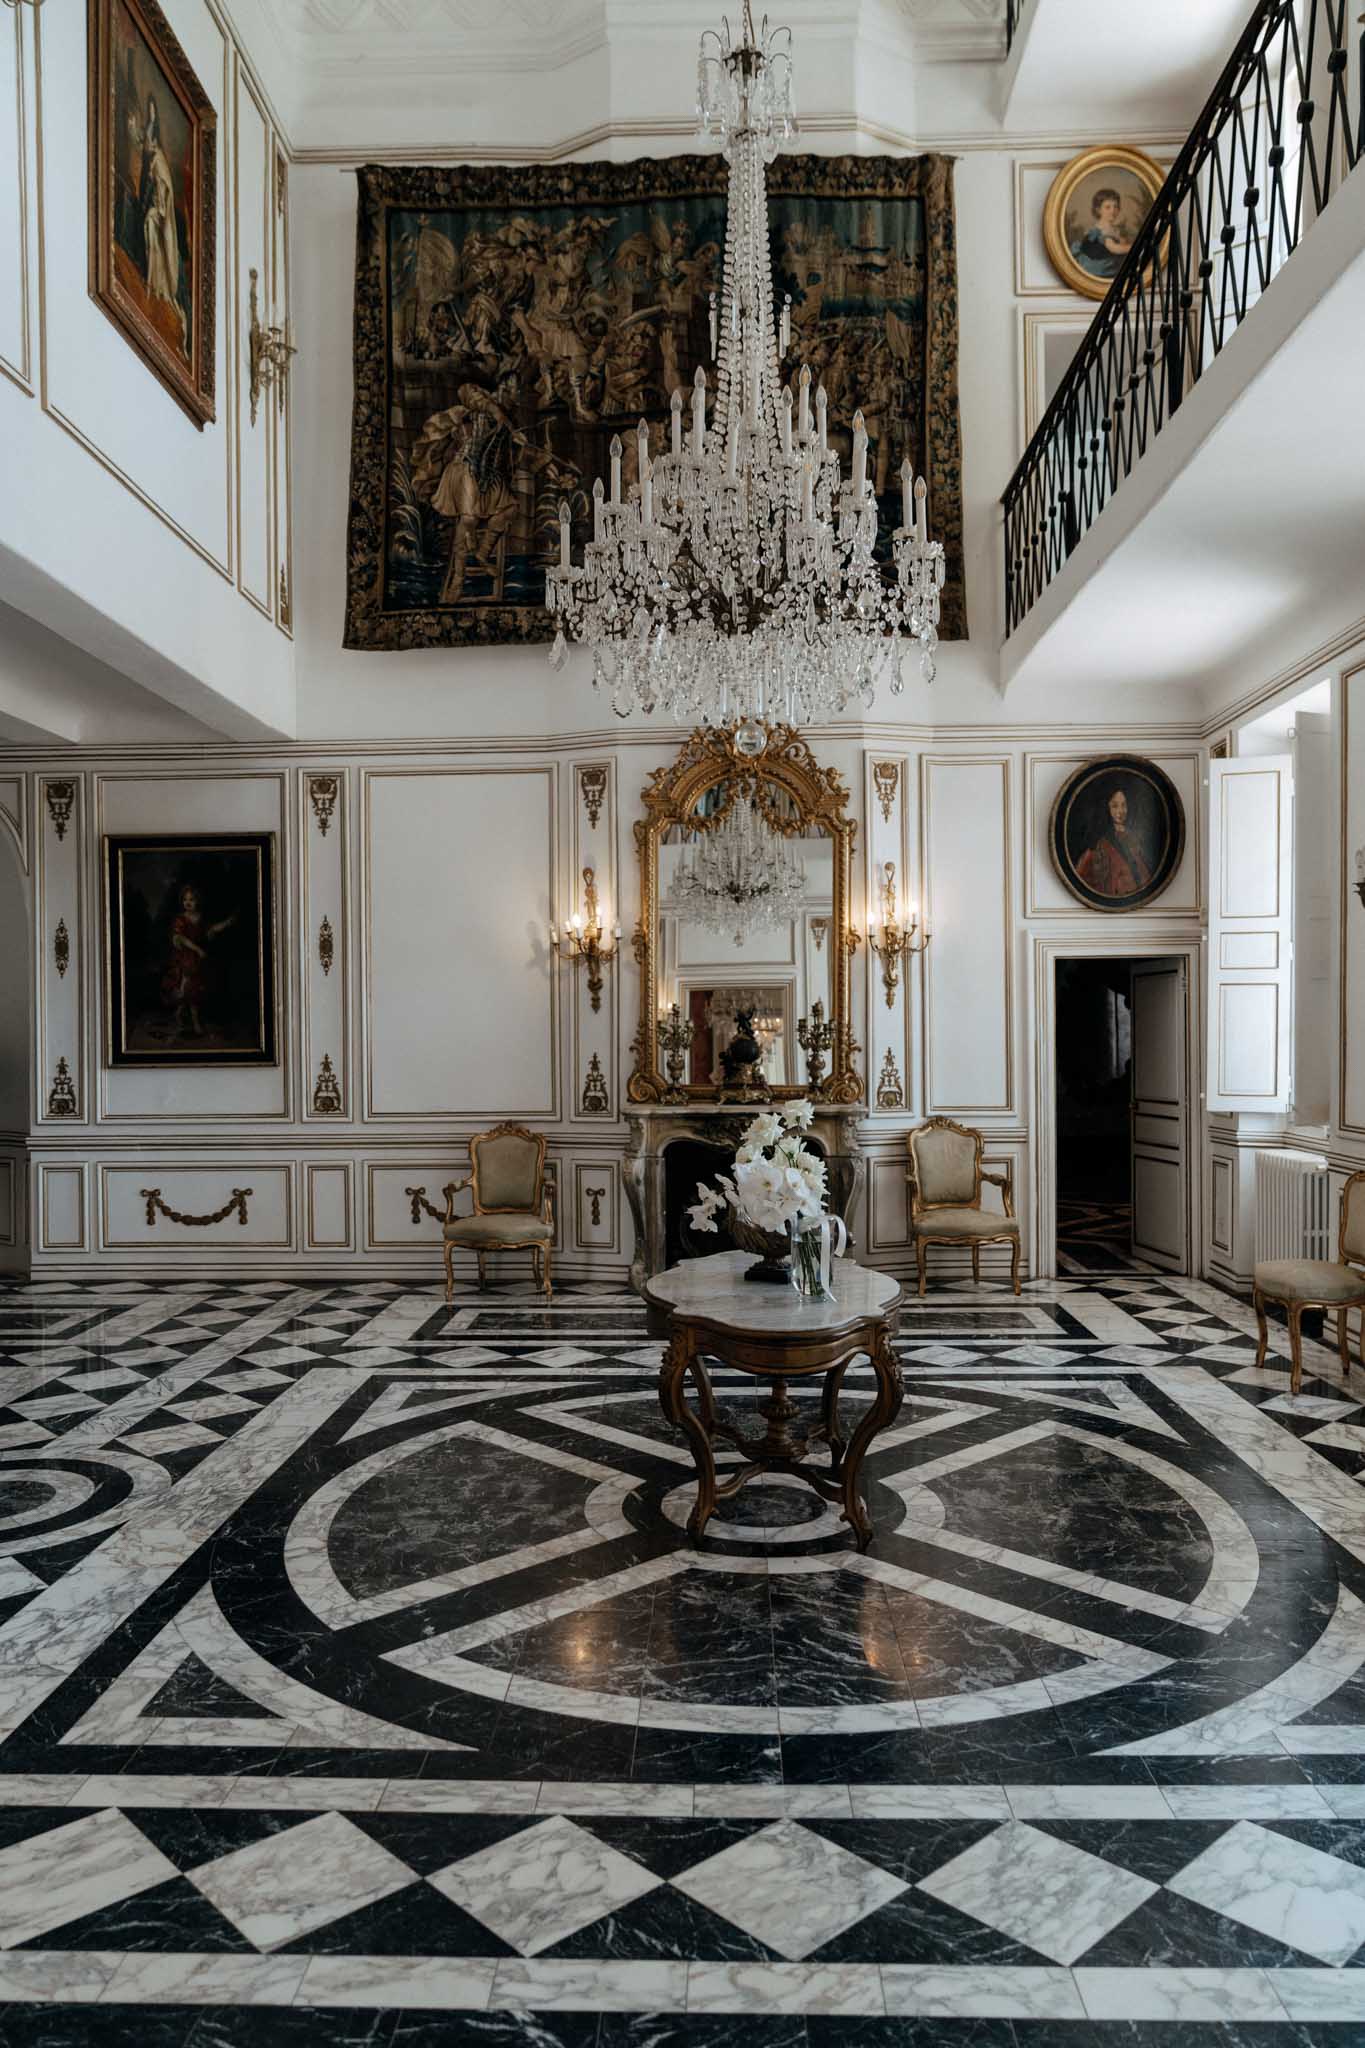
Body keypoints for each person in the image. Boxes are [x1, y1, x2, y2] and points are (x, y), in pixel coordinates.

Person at [134, 93, 188, 350]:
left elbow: (164, 188)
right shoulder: (150, 148)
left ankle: (156, 284)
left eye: (154, 112)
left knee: (151, 223)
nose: (151, 116)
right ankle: (151, 281)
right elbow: (142, 143)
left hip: (160, 211)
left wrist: (160, 208)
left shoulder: (160, 159)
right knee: (148, 223)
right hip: (154, 208)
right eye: (150, 111)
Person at [162, 884, 235, 1041]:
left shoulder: (200, 917)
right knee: (189, 987)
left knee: (193, 989)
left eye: (192, 899)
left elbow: (211, 930)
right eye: (185, 899)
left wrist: (227, 923)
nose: (188, 902)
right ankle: (194, 1022)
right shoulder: (180, 919)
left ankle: (180, 1014)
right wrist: (197, 949)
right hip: (185, 957)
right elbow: (180, 938)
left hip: (197, 958)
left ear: (198, 901)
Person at [1074, 785, 1152, 899]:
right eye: (1115, 806)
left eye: (1124, 805)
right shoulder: (1099, 843)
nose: (1120, 811)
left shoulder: (1132, 838)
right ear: (1107, 808)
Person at [1071, 187, 1135, 282]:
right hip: (1099, 271)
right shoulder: (1102, 230)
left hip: (1111, 268)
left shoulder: (1114, 229)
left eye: (1115, 206)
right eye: (1108, 207)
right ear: (1098, 210)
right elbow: (1115, 248)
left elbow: (1120, 241)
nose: (1113, 210)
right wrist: (1136, 246)